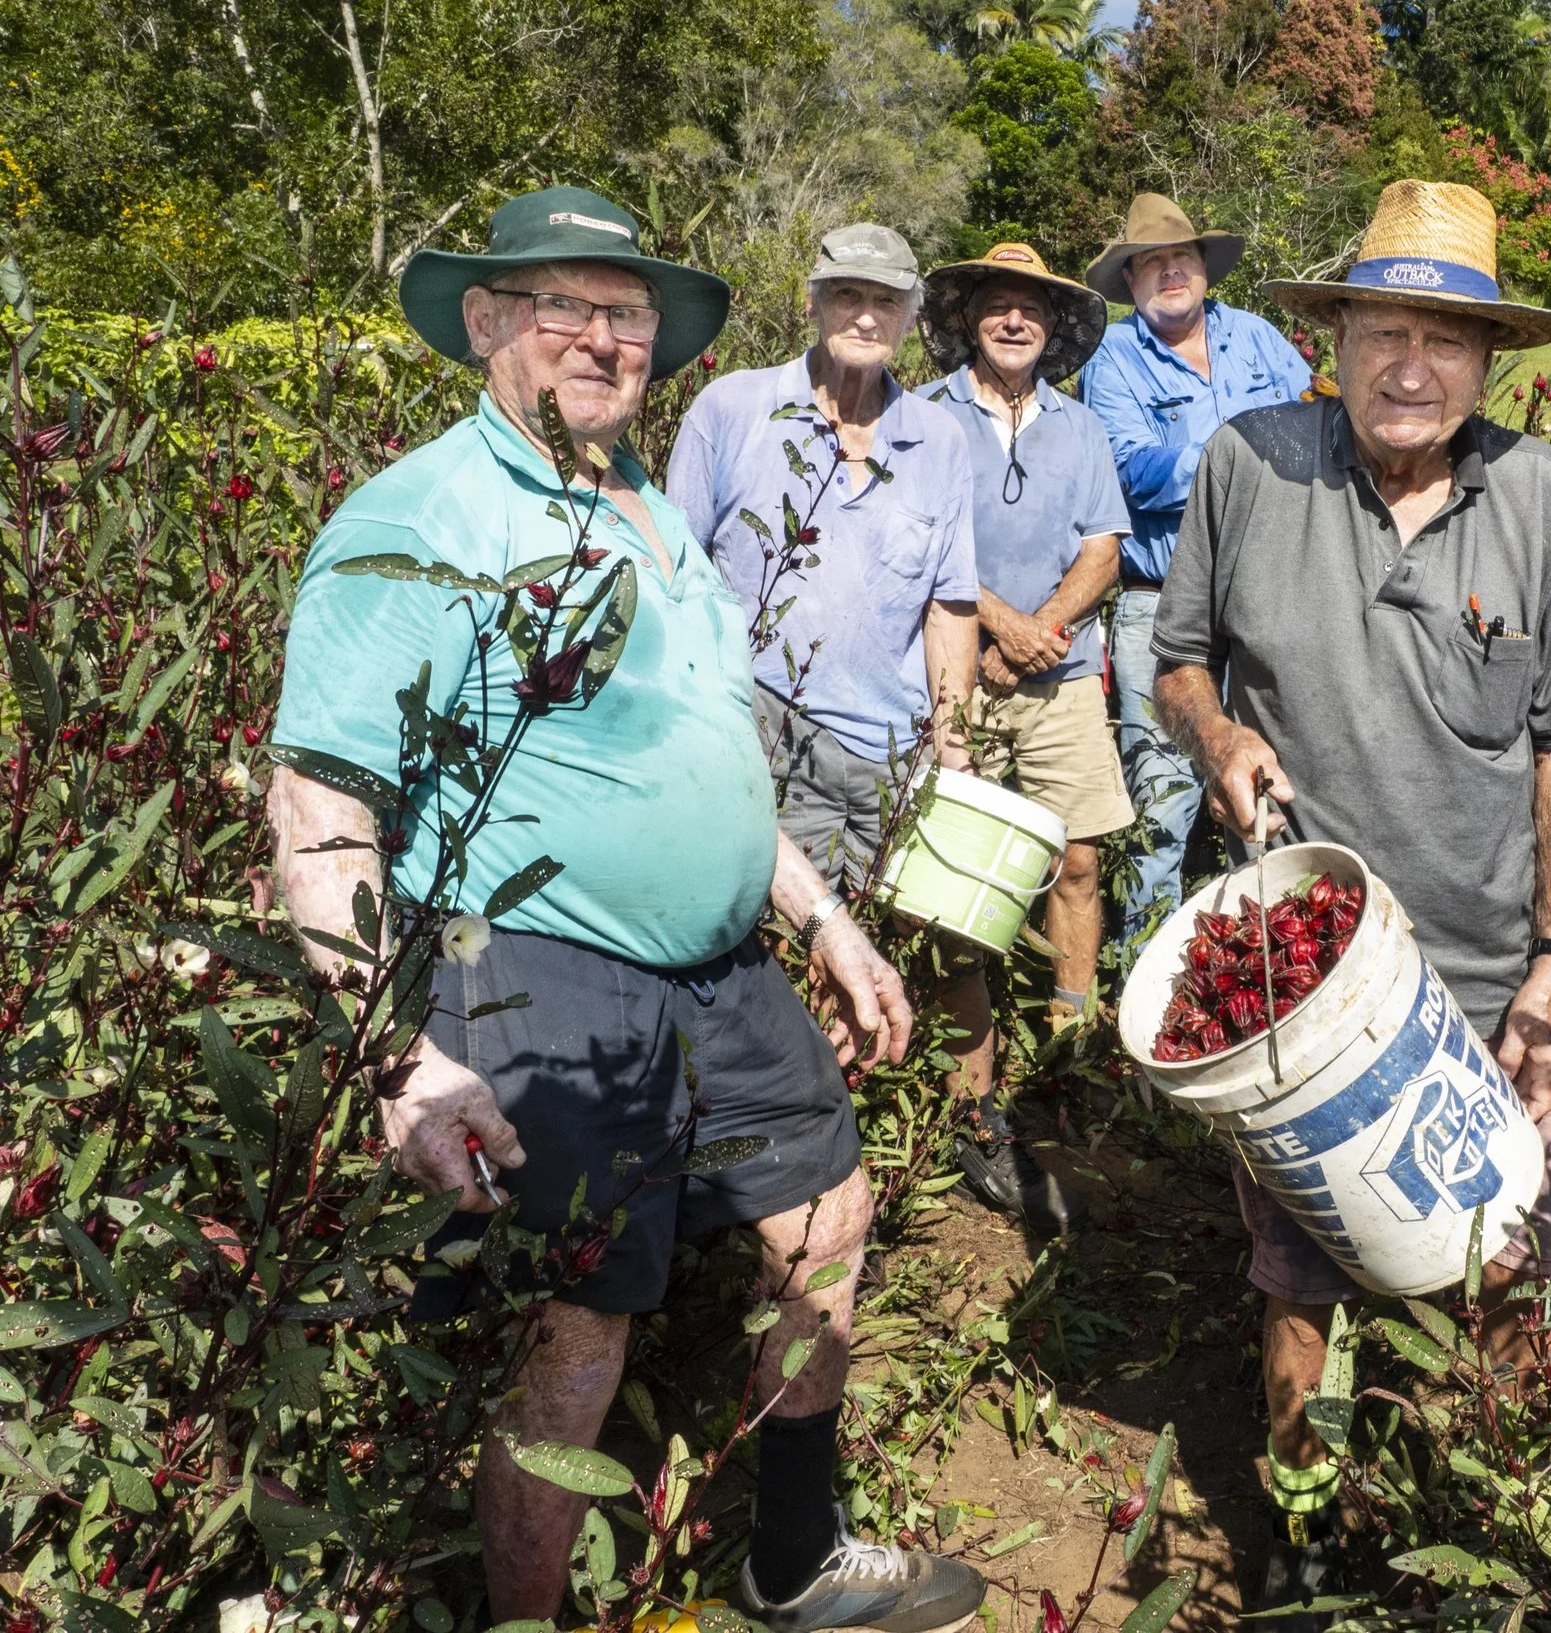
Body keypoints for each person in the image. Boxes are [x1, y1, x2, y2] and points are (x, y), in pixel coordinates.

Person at [267, 186, 986, 1632]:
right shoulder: (423, 513)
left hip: (721, 966)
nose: (603, 339)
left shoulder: (647, 504)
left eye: (630, 314)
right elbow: (315, 803)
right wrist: (400, 1060)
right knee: (578, 1323)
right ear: (486, 319)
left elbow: (705, 758)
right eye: (565, 305)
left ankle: (794, 1554)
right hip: (541, 964)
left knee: (827, 1218)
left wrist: (824, 917)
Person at [1150, 181, 1551, 1627]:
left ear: (1487, 362)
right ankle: (1303, 1529)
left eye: (1444, 339)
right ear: (1335, 341)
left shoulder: (1534, 494)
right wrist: (1217, 736)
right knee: (1299, 1269)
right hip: (1300, 988)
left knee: (1517, 1255)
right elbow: (1177, 661)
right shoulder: (1248, 462)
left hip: (1484, 969)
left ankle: (1501, 1523)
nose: (1408, 366)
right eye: (1381, 331)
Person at [667, 225, 1078, 1234]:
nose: (864, 314)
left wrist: (952, 744)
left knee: (950, 942)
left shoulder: (934, 438)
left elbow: (949, 601)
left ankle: (967, 1126)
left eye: (884, 299)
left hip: (892, 741)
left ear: (909, 318)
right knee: (790, 950)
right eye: (845, 294)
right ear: (812, 302)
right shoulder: (733, 411)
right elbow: (673, 576)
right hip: (760, 727)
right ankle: (798, 1168)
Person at [1080, 194, 1310, 941]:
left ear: (1204, 267)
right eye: (1150, 263)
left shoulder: (1259, 339)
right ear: (1130, 281)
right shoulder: (1112, 359)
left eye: (1181, 257)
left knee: (1276, 798)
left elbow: (1318, 429)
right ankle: (1143, 977)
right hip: (1162, 607)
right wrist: (1241, 455)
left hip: (1276, 602)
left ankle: (1279, 967)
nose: (1169, 271)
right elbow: (1128, 473)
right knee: (1162, 810)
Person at [915, 244, 1129, 1036]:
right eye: (999, 307)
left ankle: (1067, 1040)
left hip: (1061, 680)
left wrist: (1038, 637)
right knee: (959, 872)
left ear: (1052, 326)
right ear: (969, 320)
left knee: (1076, 864)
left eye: (1031, 309)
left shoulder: (1082, 427)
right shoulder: (925, 416)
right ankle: (970, 1053)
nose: (1014, 321)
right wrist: (1003, 633)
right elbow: (922, 541)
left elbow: (1102, 551)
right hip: (954, 678)